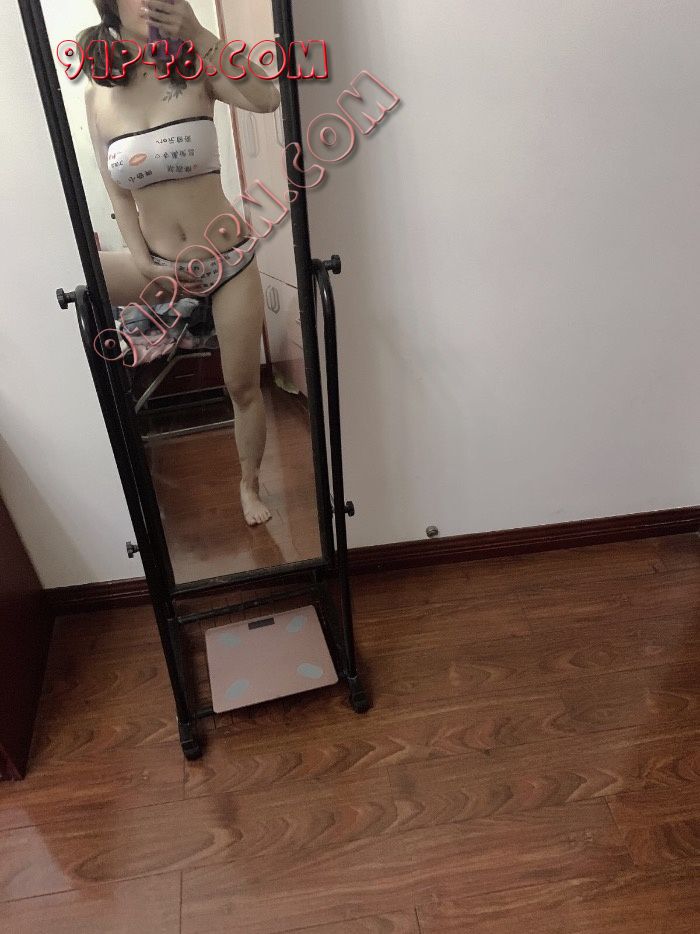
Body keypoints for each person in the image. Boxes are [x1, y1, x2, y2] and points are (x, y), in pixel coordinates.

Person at [81, 0, 280, 526]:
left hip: (226, 258)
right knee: (83, 278)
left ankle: (249, 485)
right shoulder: (98, 94)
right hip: (159, 266)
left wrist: (200, 33)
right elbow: (117, 193)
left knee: (241, 386)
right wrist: (142, 262)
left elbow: (267, 98)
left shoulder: (192, 64)